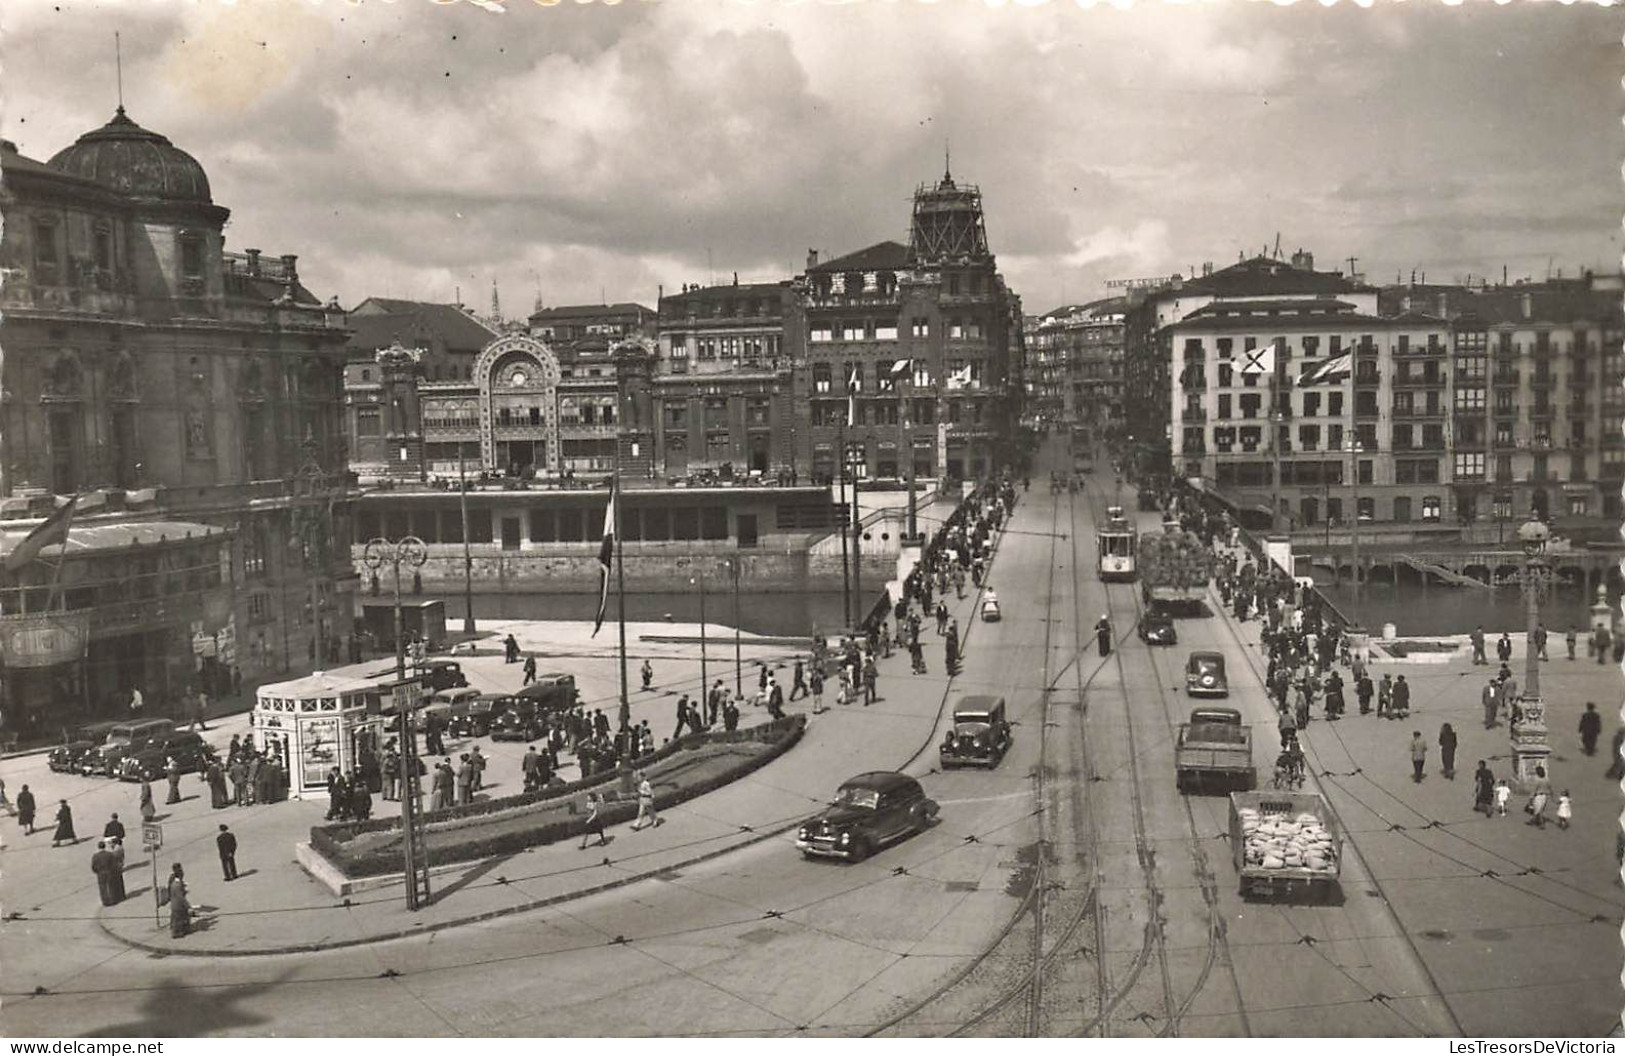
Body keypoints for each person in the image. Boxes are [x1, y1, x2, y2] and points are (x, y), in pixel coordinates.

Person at [92, 841, 121, 906]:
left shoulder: (95, 856)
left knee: (103, 888)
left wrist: (98, 872)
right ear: (104, 846)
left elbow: (93, 867)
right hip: (109, 872)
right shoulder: (110, 854)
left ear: (98, 847)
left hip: (101, 874)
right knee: (111, 886)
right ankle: (113, 899)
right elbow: (114, 864)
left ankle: (105, 901)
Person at [165, 864, 190, 938]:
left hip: (175, 900)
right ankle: (177, 932)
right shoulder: (175, 881)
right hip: (177, 902)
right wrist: (187, 904)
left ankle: (179, 929)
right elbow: (180, 895)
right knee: (178, 916)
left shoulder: (174, 878)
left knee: (176, 916)